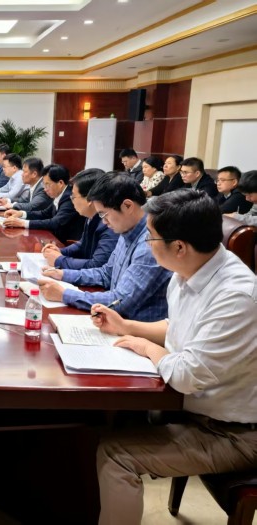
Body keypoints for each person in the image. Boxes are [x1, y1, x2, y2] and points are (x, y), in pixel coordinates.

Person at [93, 189, 257, 525]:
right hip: (195, 409)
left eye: (151, 237)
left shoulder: (236, 295)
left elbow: (186, 374)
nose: (147, 243)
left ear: (179, 246)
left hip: (234, 433)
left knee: (116, 455)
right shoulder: (190, 271)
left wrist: (145, 347)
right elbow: (176, 328)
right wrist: (126, 326)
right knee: (104, 422)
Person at [37, 173, 172, 321]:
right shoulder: (126, 229)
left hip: (135, 328)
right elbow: (106, 274)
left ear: (127, 206)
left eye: (103, 214)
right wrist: (62, 274)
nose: (104, 222)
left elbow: (120, 301)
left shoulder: (150, 244)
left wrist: (64, 294)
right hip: (116, 321)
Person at [42, 169, 119, 269]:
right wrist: (60, 251)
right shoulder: (90, 216)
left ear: (89, 199)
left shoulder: (108, 224)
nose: (71, 200)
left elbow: (97, 265)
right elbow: (82, 244)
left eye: (73, 196)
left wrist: (60, 260)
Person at [2, 163, 85, 243]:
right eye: (44, 185)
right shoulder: (60, 194)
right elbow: (45, 213)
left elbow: (55, 223)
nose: (45, 189)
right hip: (56, 240)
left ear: (60, 183)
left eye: (47, 185)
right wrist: (21, 214)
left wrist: (23, 223)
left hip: (68, 244)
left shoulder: (69, 198)